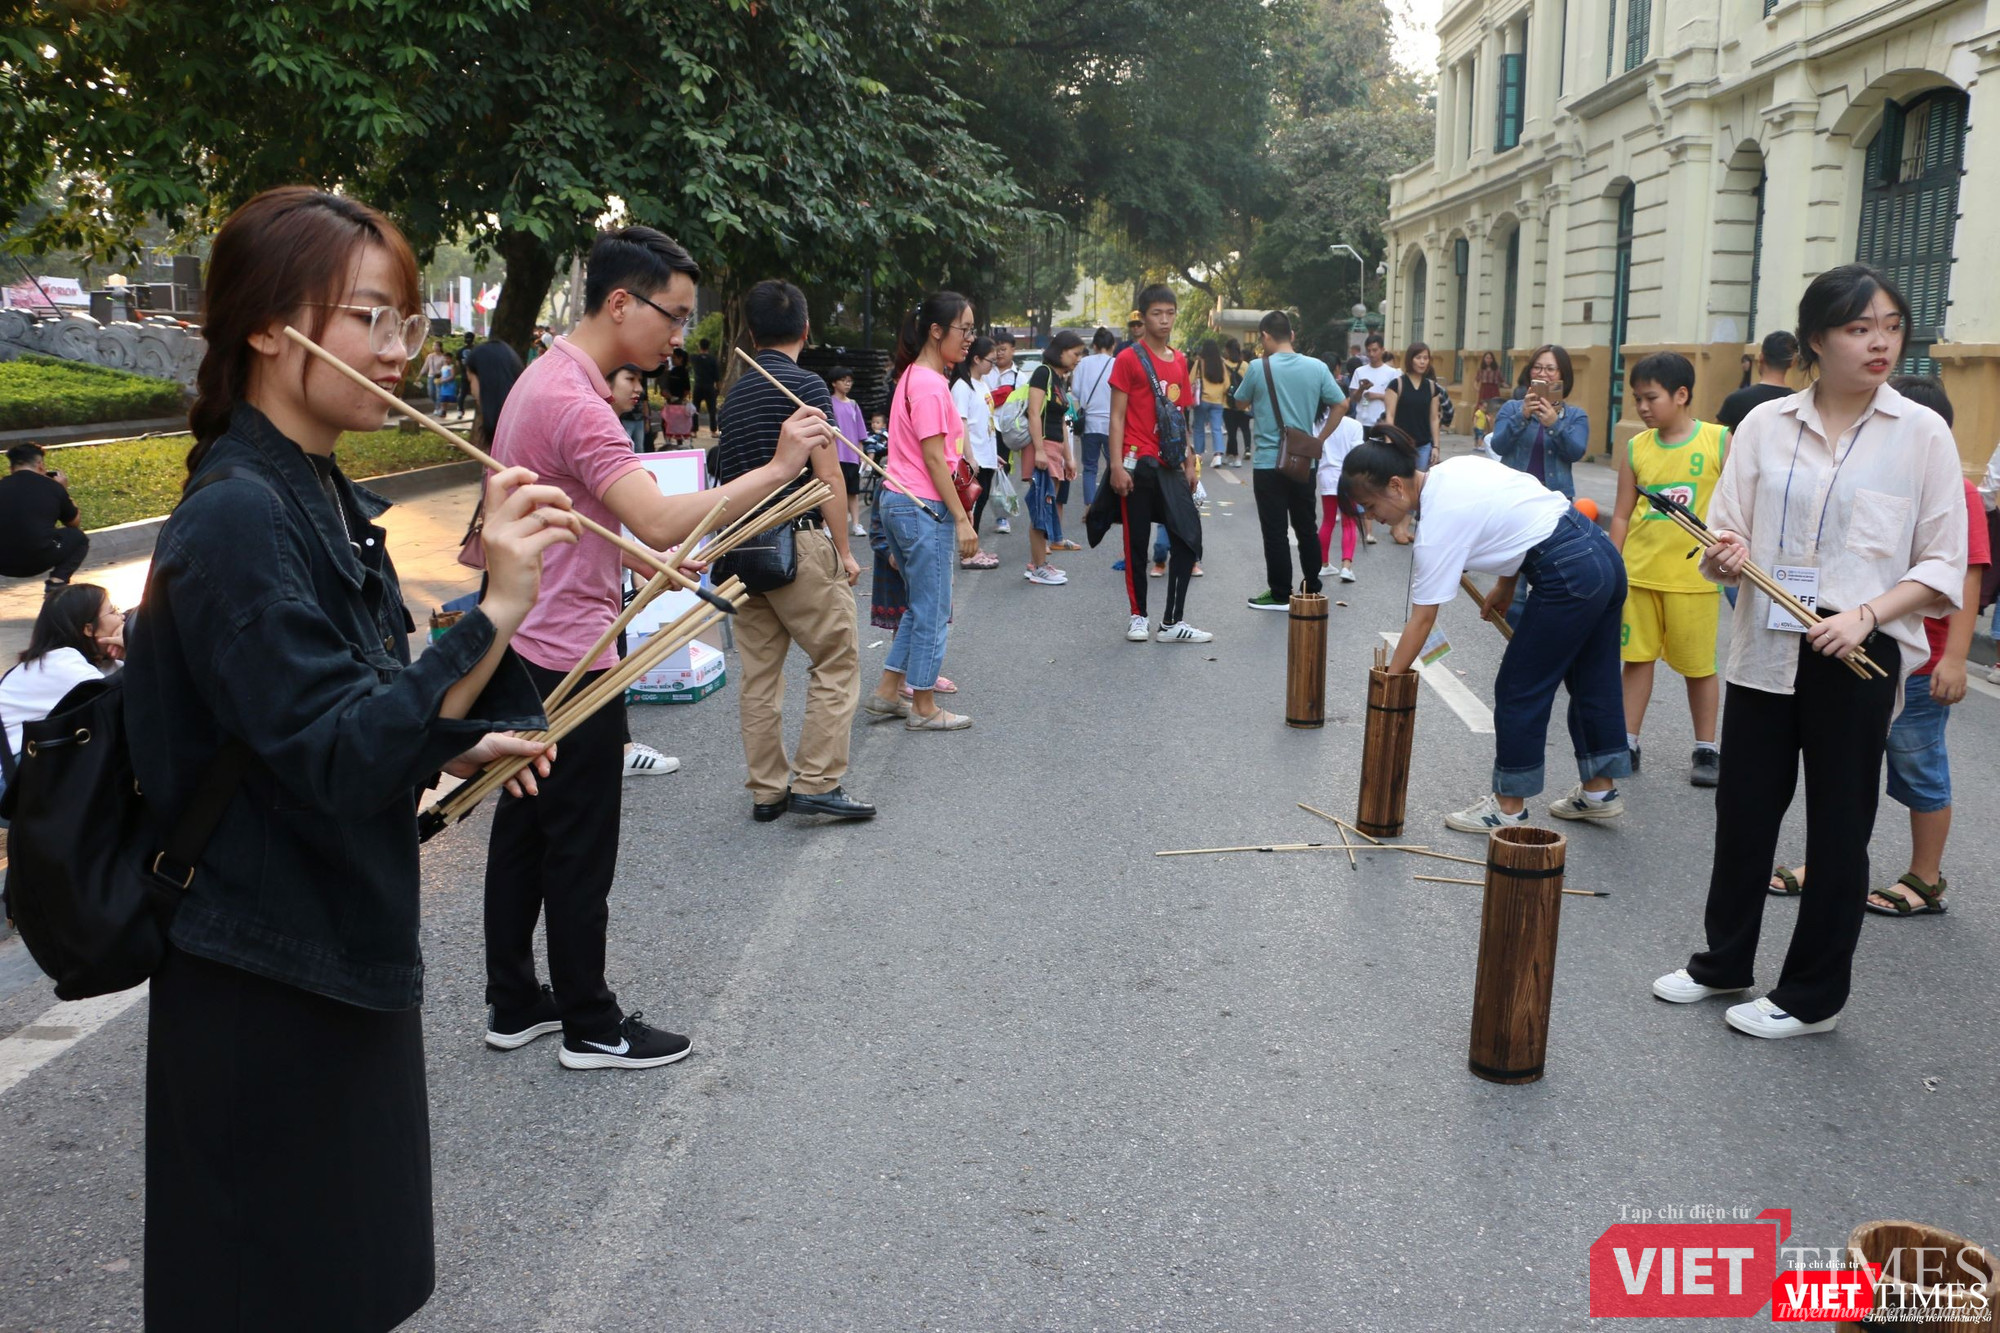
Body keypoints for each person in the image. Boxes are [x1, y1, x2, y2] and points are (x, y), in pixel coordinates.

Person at [122, 186, 580, 1330]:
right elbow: (333, 752)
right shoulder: (236, 512)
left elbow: (351, 716)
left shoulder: (320, 488)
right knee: (274, 1290)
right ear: (271, 327)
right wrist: (497, 607)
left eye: (405, 323)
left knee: (355, 1281)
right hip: (261, 975)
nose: (396, 350)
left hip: (337, 942)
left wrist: (463, 735)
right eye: (369, 318)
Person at [485, 227, 833, 1072]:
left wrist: (639, 557)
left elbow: (588, 517)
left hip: (529, 639)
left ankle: (513, 999)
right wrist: (783, 469)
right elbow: (661, 515)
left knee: (525, 828)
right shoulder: (576, 401)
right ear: (619, 302)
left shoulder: (547, 379)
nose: (679, 334)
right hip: (573, 653)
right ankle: (591, 1024)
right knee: (577, 840)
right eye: (673, 315)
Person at [1653, 265, 1968, 1040]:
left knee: (1839, 825)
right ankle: (1723, 961)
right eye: (1861, 328)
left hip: (1857, 652)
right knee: (1745, 812)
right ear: (1818, 339)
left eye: (1891, 326)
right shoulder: (1764, 425)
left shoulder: (1922, 433)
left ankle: (1812, 995)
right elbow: (1727, 527)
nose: (1880, 342)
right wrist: (1725, 553)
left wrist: (1866, 613)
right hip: (1766, 645)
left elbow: (1941, 561)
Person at [1763, 375, 1986, 921]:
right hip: (1852, 652)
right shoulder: (1856, 475)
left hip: (1920, 663)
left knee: (1917, 767)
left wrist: (1955, 659)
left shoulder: (1956, 492)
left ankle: (1926, 876)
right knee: (1844, 769)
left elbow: (1967, 576)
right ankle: (1833, 860)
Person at [1343, 426, 1632, 833]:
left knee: (1519, 686)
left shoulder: (1437, 526)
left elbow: (1423, 620)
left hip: (1567, 571)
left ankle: (1508, 806)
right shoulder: (1456, 469)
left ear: (1395, 486)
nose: (1372, 517)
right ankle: (1599, 791)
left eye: (1370, 506)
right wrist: (1504, 583)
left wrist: (1389, 683)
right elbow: (1521, 506)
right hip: (1598, 552)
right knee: (1591, 676)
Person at [714, 280, 873, 822]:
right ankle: (818, 780)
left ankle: (767, 790)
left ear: (751, 333)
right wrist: (845, 552)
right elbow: (827, 475)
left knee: (760, 673)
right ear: (806, 330)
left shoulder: (733, 393)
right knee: (837, 656)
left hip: (738, 551)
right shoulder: (805, 386)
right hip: (796, 540)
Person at [863, 292, 981, 729]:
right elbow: (935, 459)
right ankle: (925, 707)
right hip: (922, 505)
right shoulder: (931, 384)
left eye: (972, 330)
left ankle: (888, 692)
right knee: (933, 609)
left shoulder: (913, 376)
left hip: (898, 500)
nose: (969, 338)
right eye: (963, 329)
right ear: (936, 331)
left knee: (919, 604)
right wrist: (964, 520)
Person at [1610, 351, 1726, 787]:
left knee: (1699, 667)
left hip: (1694, 581)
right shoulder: (1637, 447)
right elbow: (1622, 514)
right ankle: (1627, 740)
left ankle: (1706, 749)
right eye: (1637, 399)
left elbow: (1738, 506)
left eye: (1650, 398)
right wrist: (1612, 565)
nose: (1642, 407)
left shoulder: (1717, 440)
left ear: (1681, 395)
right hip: (1639, 575)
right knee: (1636, 661)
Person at [1101, 284, 1209, 644]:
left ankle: (1171, 623)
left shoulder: (1179, 360)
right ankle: (1138, 616)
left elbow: (1180, 415)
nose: (1164, 320)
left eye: (1170, 313)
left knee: (1187, 537)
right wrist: (1116, 466)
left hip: (1170, 463)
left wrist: (1191, 462)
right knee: (1137, 542)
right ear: (1142, 317)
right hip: (1137, 463)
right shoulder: (1129, 358)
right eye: (1156, 314)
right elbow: (1116, 418)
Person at [1228, 311, 1346, 610]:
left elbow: (1240, 402)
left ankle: (1281, 593)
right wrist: (1320, 439)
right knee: (1307, 525)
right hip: (1305, 461)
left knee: (1275, 530)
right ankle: (1311, 588)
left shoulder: (1257, 367)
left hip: (1269, 462)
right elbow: (1341, 403)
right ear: (1291, 335)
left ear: (1265, 336)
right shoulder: (1318, 367)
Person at [0, 583, 122, 811]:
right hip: (6, 779)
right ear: (89, 628)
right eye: (113, 611)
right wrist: (133, 645)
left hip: (25, 768)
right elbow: (123, 698)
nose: (121, 617)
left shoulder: (96, 661)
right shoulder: (61, 662)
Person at [1023, 329, 1083, 585]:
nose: (1078, 359)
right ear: (1060, 350)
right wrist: (1038, 450)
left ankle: (1042, 564)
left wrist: (1069, 457)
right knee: (1041, 506)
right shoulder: (1043, 373)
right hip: (1044, 447)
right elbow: (1034, 413)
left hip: (1056, 447)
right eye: (1075, 353)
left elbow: (1064, 421)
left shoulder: (1060, 379)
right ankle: (1038, 567)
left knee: (1047, 506)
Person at [1488, 345, 1588, 499]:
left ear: (1563, 374)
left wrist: (1555, 425)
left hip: (1553, 498)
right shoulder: (1511, 408)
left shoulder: (1576, 416)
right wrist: (1522, 417)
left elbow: (1576, 453)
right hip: (1513, 495)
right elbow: (1498, 446)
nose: (1542, 374)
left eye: (1550, 369)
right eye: (1537, 367)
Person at [0, 444, 88, 596]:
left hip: (3, 563)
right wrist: (63, 490)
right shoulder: (53, 487)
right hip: (39, 559)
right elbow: (73, 523)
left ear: (11, 467)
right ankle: (57, 582)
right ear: (40, 465)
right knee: (78, 537)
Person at [954, 337, 1002, 566]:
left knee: (980, 505)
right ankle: (968, 553)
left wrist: (993, 454)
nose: (993, 365)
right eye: (990, 361)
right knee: (971, 506)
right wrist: (970, 456)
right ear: (976, 359)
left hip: (986, 455)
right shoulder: (962, 387)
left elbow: (985, 421)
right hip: (974, 458)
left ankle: (974, 548)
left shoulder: (982, 384)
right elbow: (961, 424)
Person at [1317, 404, 1365, 584]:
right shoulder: (1354, 425)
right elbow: (1357, 454)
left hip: (1327, 476)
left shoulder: (1319, 424)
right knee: (1349, 522)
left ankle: (1324, 563)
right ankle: (1346, 566)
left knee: (1328, 520)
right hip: (1347, 477)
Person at [1717, 329, 1798, 430]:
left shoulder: (1735, 401)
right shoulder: (1798, 405)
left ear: (1761, 357)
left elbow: (1718, 440)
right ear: (1793, 363)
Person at [983, 333, 1024, 534]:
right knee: (981, 473)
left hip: (1005, 431)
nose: (999, 353)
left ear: (1013, 350)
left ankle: (1002, 517)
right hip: (984, 429)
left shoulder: (1020, 377)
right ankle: (972, 512)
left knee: (1002, 473)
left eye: (1003, 349)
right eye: (996, 349)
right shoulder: (984, 372)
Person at [1074, 327, 1118, 503]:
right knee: (1113, 466)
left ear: (1094, 345)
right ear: (1112, 345)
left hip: (1089, 423)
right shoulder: (1117, 363)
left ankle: (1089, 507)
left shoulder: (1084, 363)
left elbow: (1076, 390)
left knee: (1090, 468)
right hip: (1111, 424)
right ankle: (1110, 506)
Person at [826, 365, 870, 538]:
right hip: (834, 455)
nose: (847, 384)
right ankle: (827, 524)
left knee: (853, 492)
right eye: (844, 381)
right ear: (834, 383)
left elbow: (861, 433)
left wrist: (861, 455)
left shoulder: (853, 404)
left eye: (850, 381)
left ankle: (856, 524)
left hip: (851, 456)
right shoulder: (828, 403)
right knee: (831, 491)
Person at [1384, 342, 1443, 470]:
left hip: (1423, 446)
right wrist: (1389, 444)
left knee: (1419, 486)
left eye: (1425, 358)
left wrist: (1436, 447)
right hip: (1400, 445)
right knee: (1400, 483)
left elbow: (1434, 418)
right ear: (1410, 360)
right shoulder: (1396, 385)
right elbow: (1390, 416)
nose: (1422, 362)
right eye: (1418, 358)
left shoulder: (1432, 387)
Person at [463, 337, 525, 451]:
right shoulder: (517, 424)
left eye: (470, 381)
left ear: (487, 381)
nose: (471, 391)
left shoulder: (515, 438)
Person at [1347, 334, 1398, 428]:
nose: (1371, 354)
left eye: (1375, 350)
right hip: (1361, 423)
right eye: (1368, 351)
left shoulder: (1392, 373)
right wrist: (1361, 389)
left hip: (1383, 422)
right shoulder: (1359, 371)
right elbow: (1354, 399)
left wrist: (1377, 396)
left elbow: (1397, 399)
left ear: (1382, 350)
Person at [1195, 339, 1230, 470]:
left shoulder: (1199, 363)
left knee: (1199, 427)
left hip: (1202, 399)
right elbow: (1227, 384)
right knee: (1216, 428)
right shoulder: (1221, 364)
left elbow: (1191, 379)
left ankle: (1198, 455)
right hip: (1218, 401)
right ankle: (1218, 455)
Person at [1222, 338, 1252, 465]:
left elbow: (1224, 385)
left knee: (1231, 432)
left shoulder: (1223, 365)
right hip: (1243, 403)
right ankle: (1243, 451)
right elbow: (1250, 384)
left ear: (1227, 350)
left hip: (1227, 404)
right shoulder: (1245, 365)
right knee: (1245, 428)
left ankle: (1236, 457)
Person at [610, 362, 649, 451]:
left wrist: (646, 420)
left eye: (639, 380)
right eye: (630, 379)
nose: (639, 389)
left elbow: (645, 403)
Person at [690, 337, 721, 434]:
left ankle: (694, 430)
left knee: (695, 409)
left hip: (698, 387)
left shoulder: (695, 358)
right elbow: (717, 377)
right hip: (709, 387)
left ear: (700, 346)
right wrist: (718, 389)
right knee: (712, 410)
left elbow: (691, 358)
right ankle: (713, 430)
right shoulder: (712, 360)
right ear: (709, 347)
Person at [1475, 351, 1506, 422]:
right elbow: (1476, 381)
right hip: (1484, 390)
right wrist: (1477, 389)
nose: (1488, 360)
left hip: (1493, 390)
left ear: (1493, 359)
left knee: (1493, 408)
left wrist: (1507, 386)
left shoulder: (1496, 369)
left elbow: (1502, 380)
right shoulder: (1481, 369)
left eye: (1490, 358)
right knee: (1482, 408)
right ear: (1484, 359)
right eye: (1487, 358)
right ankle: (1479, 426)